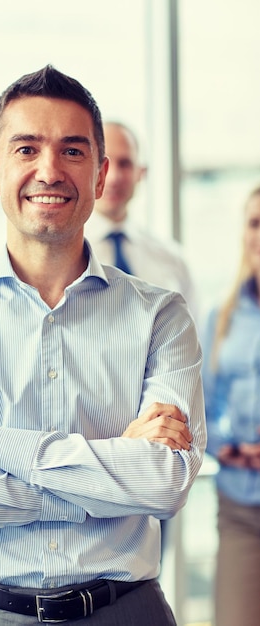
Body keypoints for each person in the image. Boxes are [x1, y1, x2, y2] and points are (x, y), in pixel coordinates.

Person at [0, 65, 206, 626]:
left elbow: (163, 483)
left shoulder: (161, 315)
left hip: (124, 611)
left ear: (101, 174)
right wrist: (104, 471)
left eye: (73, 151)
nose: (49, 170)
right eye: (27, 148)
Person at [202, 185, 260, 626]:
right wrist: (229, 447)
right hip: (239, 504)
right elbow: (200, 407)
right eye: (255, 223)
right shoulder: (219, 318)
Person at [85, 121, 197, 316]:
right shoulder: (62, 257)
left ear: (141, 173)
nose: (113, 177)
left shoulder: (172, 259)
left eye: (125, 164)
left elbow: (193, 338)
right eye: (103, 163)